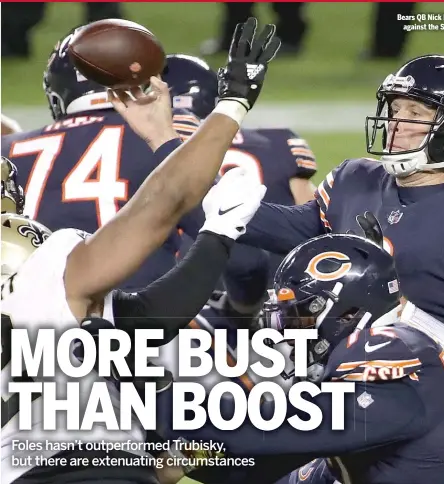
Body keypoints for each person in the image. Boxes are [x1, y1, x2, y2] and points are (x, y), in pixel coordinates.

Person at [1, 17, 281, 484]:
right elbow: (162, 206)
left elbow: (146, 315)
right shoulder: (47, 267)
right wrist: (229, 105)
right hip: (88, 453)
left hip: (32, 463)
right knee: (278, 429)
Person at [178, 54, 444, 388]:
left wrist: (398, 310)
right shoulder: (354, 180)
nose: (396, 124)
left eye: (416, 114)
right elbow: (251, 220)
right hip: (327, 388)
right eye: (395, 109)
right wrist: (172, 143)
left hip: (416, 402)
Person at [162, 232, 444, 484]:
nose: (283, 329)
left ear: (346, 313)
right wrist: (187, 453)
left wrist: (152, 400)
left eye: (298, 313)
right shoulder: (367, 386)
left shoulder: (389, 350)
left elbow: (261, 428)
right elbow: (266, 466)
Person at [2, 25, 199, 291]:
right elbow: (232, 236)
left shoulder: (7, 149)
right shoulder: (170, 138)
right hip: (140, 317)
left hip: (26, 320)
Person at [162, 53, 317, 282]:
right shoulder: (280, 142)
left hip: (191, 290)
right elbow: (316, 230)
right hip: (279, 293)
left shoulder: (165, 147)